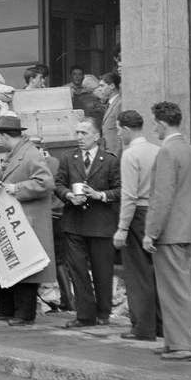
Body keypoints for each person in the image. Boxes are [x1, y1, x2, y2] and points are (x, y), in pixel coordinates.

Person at [0, 113, 57, 325]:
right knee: (10, 266)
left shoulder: (31, 154)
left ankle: (25, 315)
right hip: (16, 220)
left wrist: (18, 188)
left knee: (26, 269)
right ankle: (6, 309)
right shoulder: (18, 151)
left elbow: (46, 183)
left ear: (6, 136)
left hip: (27, 220)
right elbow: (3, 170)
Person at [55, 117, 121, 327]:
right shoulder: (68, 158)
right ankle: (84, 315)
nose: (79, 137)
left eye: (84, 133)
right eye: (77, 133)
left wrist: (99, 194)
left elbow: (120, 190)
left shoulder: (110, 161)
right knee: (78, 270)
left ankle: (103, 312)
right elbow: (58, 183)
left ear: (97, 136)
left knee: (103, 270)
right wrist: (68, 196)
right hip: (74, 222)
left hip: (101, 224)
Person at [143, 102, 191, 361]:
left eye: (154, 123)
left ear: (163, 124)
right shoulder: (189, 149)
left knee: (174, 290)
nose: (154, 128)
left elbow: (161, 197)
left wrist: (150, 232)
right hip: (186, 229)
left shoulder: (167, 152)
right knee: (179, 287)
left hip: (170, 232)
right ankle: (177, 341)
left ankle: (184, 344)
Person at [112, 110, 162, 342]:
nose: (118, 133)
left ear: (125, 129)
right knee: (156, 272)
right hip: (157, 213)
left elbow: (129, 195)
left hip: (138, 214)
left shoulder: (130, 155)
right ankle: (160, 325)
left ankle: (143, 327)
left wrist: (122, 228)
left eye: (118, 129)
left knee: (138, 273)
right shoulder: (157, 150)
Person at [96, 72, 122, 157]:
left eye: (102, 86)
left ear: (112, 86)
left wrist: (116, 155)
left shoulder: (119, 104)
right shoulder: (110, 103)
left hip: (114, 154)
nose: (99, 89)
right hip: (107, 153)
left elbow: (121, 132)